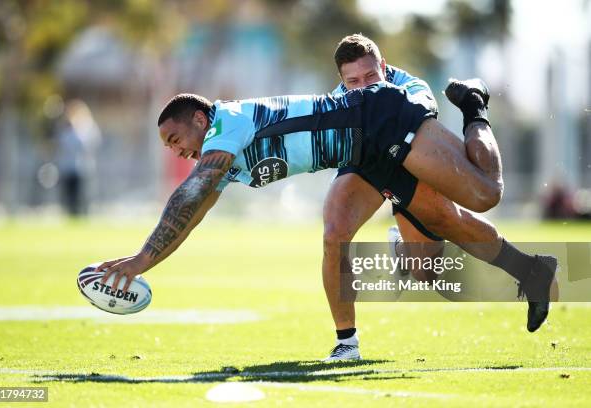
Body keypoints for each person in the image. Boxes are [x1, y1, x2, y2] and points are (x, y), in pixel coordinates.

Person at [94, 84, 556, 362]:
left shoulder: (224, 124)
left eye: (176, 139)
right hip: (362, 157)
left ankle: (474, 106)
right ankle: (348, 343)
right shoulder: (224, 159)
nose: (177, 151)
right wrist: (145, 264)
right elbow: (189, 217)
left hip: (377, 117)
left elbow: (187, 195)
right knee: (384, 242)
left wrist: (139, 259)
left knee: (483, 195)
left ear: (199, 118)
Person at [320, 34, 505, 360]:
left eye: (370, 77)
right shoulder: (336, 101)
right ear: (341, 81)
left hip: (406, 163)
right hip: (365, 165)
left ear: (384, 67)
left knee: (427, 270)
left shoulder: (411, 86)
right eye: (353, 81)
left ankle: (475, 106)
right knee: (334, 234)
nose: (363, 87)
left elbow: (420, 118)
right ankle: (346, 342)